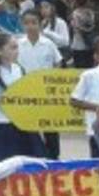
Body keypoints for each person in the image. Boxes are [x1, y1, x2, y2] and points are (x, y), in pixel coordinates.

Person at [0, 32, 47, 162]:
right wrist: (8, 99)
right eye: (12, 48)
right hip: (2, 124)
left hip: (22, 122)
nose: (16, 51)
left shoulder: (18, 69)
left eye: (17, 47)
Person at [19, 10, 65, 158]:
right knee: (29, 128)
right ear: (22, 25)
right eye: (27, 23)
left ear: (40, 24)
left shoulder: (48, 44)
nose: (30, 26)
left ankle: (54, 158)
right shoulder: (18, 44)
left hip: (46, 92)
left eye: (34, 22)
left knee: (50, 128)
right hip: (26, 91)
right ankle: (35, 157)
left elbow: (58, 63)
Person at [69, 0, 97, 69]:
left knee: (79, 69)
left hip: (78, 44)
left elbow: (76, 27)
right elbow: (92, 26)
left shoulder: (75, 13)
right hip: (89, 43)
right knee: (89, 67)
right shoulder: (91, 13)